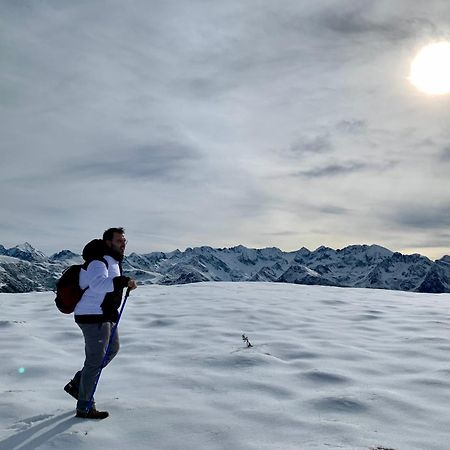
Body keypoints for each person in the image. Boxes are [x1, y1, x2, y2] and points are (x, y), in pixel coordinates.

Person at [64, 227, 137, 419]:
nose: (123, 244)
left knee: (112, 350)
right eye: (119, 241)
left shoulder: (111, 260)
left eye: (124, 241)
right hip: (92, 317)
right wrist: (122, 281)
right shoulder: (99, 261)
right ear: (108, 242)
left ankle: (78, 384)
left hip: (105, 316)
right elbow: (98, 284)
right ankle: (84, 407)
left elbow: (107, 285)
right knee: (95, 361)